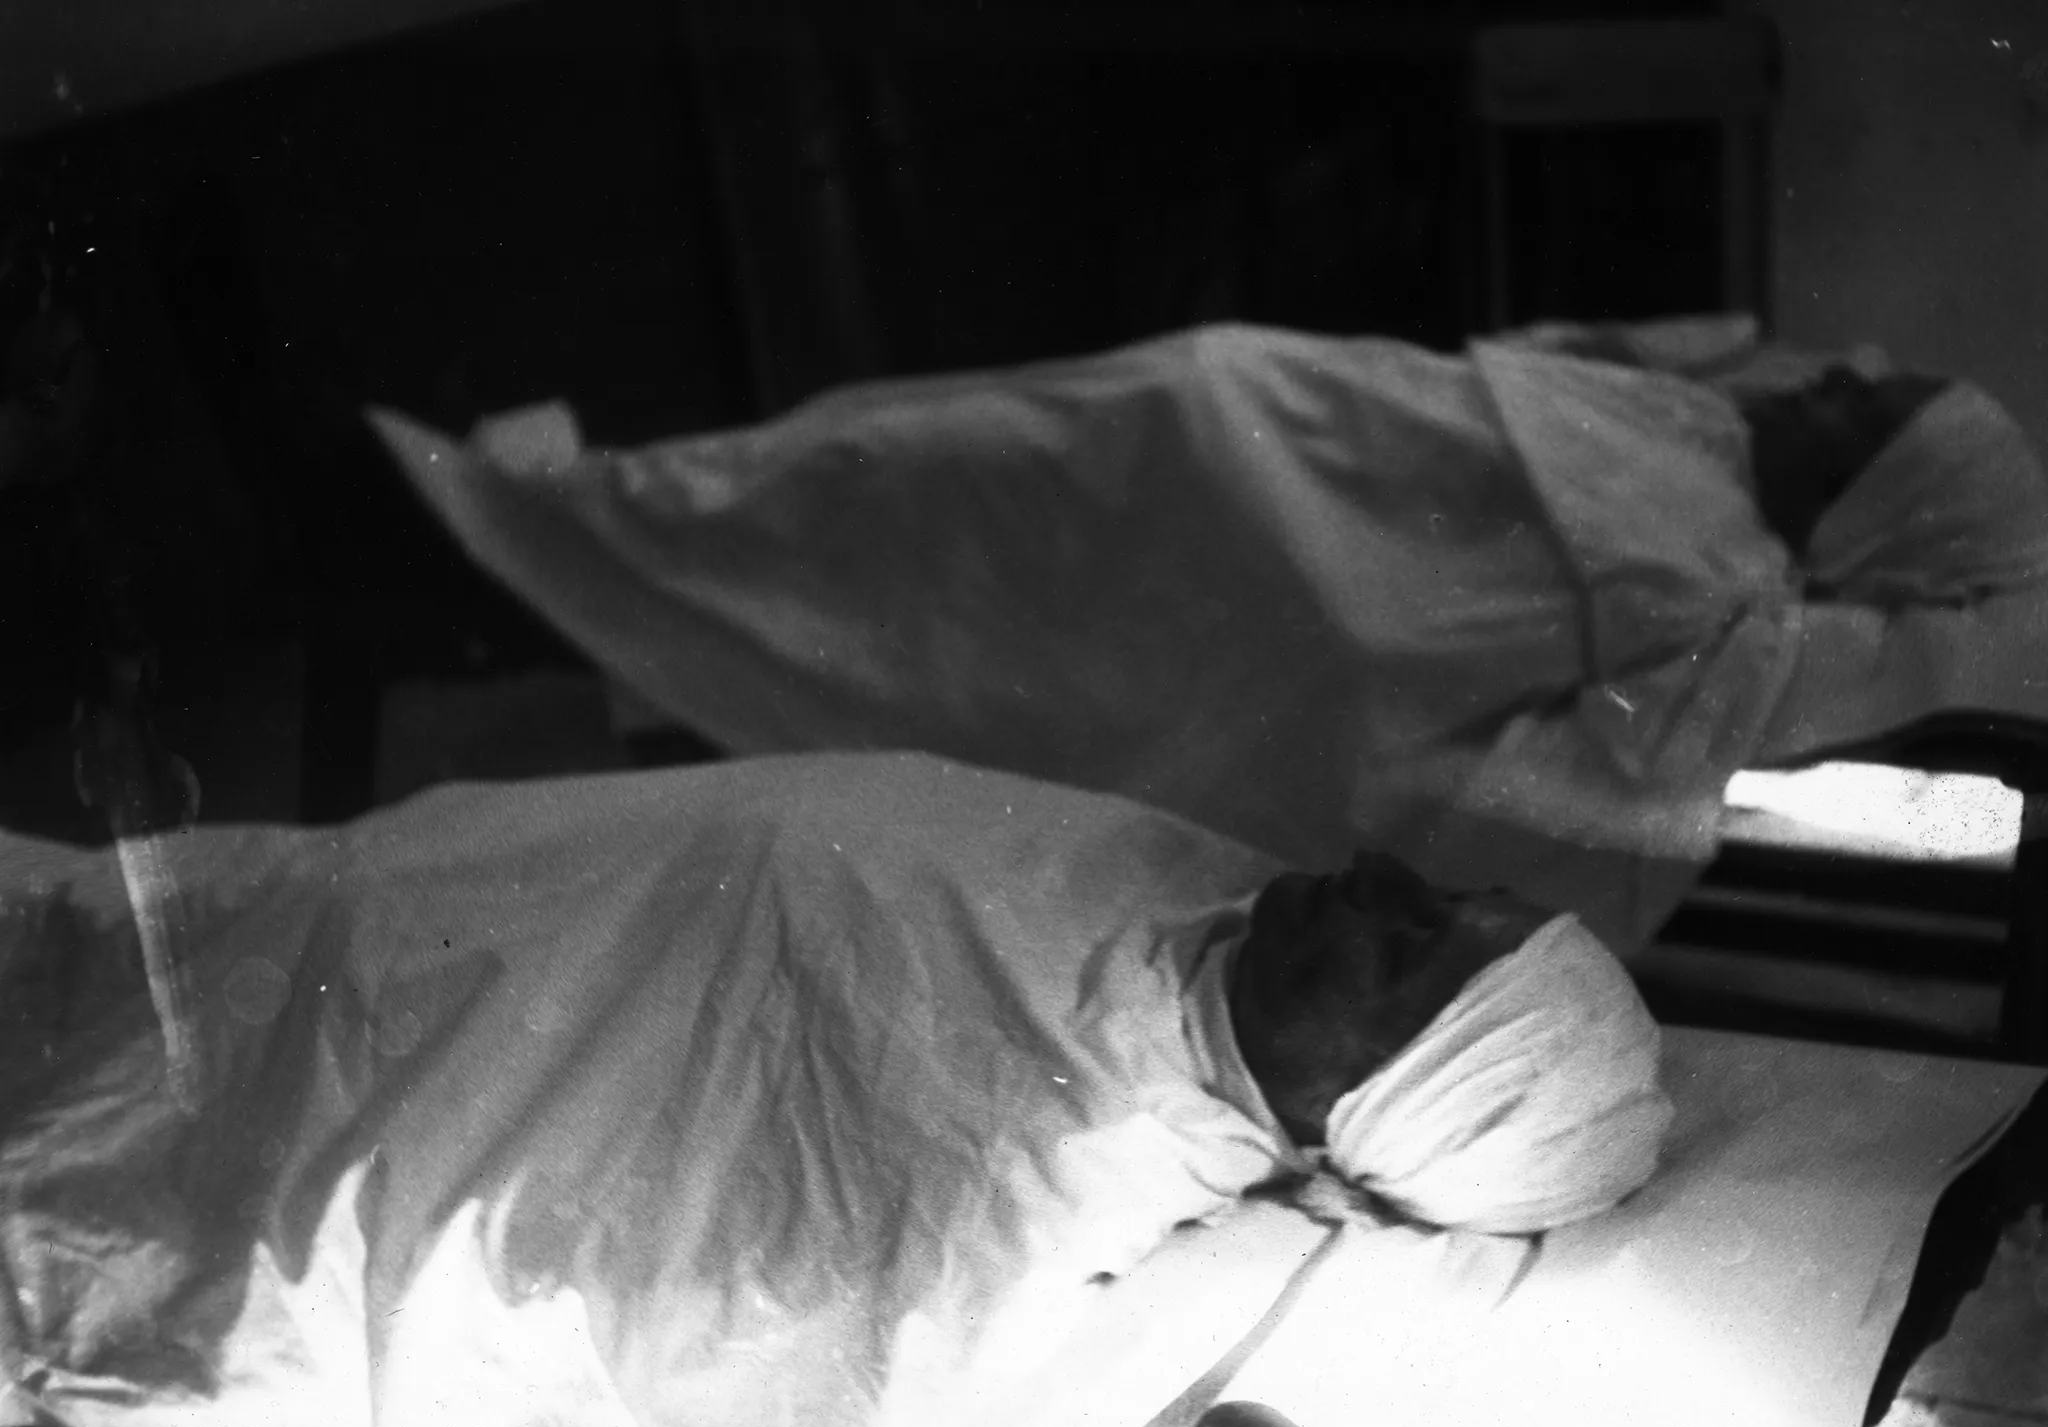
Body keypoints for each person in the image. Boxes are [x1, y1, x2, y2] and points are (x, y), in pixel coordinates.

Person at [0, 751, 1670, 1427]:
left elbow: (734, 1372)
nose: (1379, 875)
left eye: (1407, 948)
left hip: (295, 1145)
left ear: (1378, 1097)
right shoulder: (1196, 893)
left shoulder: (1037, 1174)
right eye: (1440, 893)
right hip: (349, 910)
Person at [368, 318, 2048, 954]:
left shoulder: (1738, 622)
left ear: (1881, 511)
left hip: (1220, 614)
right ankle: (575, 529)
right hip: (1168, 440)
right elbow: (1470, 384)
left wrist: (1340, 710)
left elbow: (1549, 800)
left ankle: (545, 610)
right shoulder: (1696, 414)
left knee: (906, 645)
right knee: (866, 473)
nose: (1831, 384)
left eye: (1865, 416)